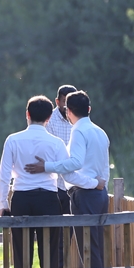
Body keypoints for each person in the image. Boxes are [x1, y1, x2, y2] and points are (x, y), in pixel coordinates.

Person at [0, 96, 98, 268]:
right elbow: (68, 174)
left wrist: (3, 204)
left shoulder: (13, 140)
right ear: (50, 116)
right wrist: (94, 183)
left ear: (27, 114)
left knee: (21, 254)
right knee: (50, 253)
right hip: (48, 198)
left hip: (21, 198)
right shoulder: (56, 143)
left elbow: (4, 176)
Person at [25, 90, 110, 268]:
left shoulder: (78, 131)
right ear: (89, 109)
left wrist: (47, 167)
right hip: (101, 195)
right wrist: (99, 184)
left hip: (86, 193)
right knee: (96, 248)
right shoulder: (100, 132)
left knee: (88, 250)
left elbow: (74, 164)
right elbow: (105, 170)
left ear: (68, 111)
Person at [46, 84, 77, 216]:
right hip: (55, 184)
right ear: (57, 102)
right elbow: (49, 152)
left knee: (71, 229)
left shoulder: (78, 119)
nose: (67, 106)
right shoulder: (49, 120)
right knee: (55, 228)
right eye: (65, 101)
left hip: (75, 182)